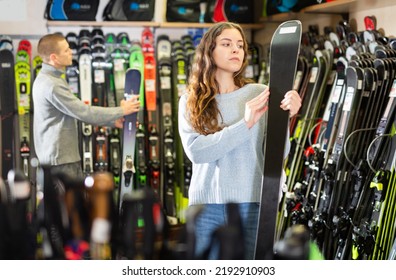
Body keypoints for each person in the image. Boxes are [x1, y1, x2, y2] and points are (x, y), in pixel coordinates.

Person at [178, 22, 302, 260]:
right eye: (226, 44)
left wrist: (285, 118)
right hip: (206, 205)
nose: (236, 50)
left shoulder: (259, 94)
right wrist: (244, 123)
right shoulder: (190, 101)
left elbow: (277, 152)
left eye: (240, 45)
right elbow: (197, 152)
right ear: (209, 51)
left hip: (253, 201)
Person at [32, 33, 140, 184]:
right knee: (71, 206)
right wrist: (122, 110)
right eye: (66, 50)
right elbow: (83, 112)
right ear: (54, 58)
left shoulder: (48, 79)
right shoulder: (52, 85)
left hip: (58, 158)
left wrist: (114, 122)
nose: (71, 52)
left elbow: (73, 113)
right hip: (61, 162)